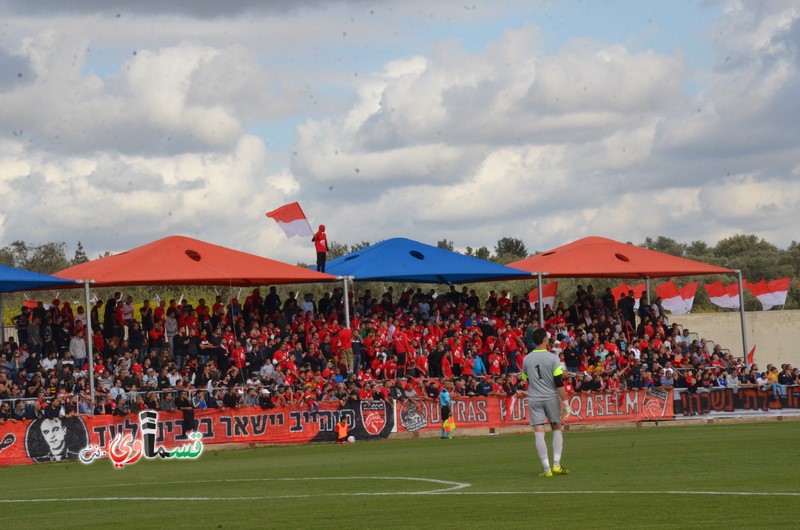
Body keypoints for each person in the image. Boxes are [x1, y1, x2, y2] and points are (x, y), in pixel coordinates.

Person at [519, 328, 570, 477]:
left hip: (534, 398)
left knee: (539, 433)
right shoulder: (553, 358)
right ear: (546, 340)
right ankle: (556, 465)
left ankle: (546, 469)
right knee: (556, 428)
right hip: (550, 397)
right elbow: (558, 382)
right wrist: (565, 403)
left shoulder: (526, 359)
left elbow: (526, 379)